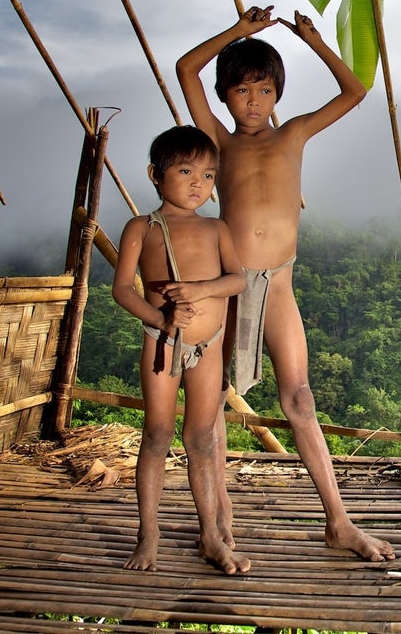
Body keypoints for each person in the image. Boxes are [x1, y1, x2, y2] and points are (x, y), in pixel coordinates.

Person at [176, 5, 394, 562]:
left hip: (277, 287)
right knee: (206, 406)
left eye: (265, 90)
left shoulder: (294, 134)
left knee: (299, 396)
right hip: (223, 285)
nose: (253, 102)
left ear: (278, 95)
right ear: (225, 96)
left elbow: (355, 90)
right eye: (242, 91)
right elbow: (184, 69)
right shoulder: (218, 144)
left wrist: (316, 39)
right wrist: (239, 33)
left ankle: (339, 523)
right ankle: (214, 526)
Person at [112, 125, 249, 574]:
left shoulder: (216, 227)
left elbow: (237, 279)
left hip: (207, 349)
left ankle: (210, 536)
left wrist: (199, 289)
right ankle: (147, 534)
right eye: (186, 171)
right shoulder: (141, 227)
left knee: (202, 440)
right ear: (155, 174)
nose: (198, 183)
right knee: (156, 436)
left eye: (208, 175)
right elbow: (122, 291)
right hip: (161, 344)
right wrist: (161, 319)